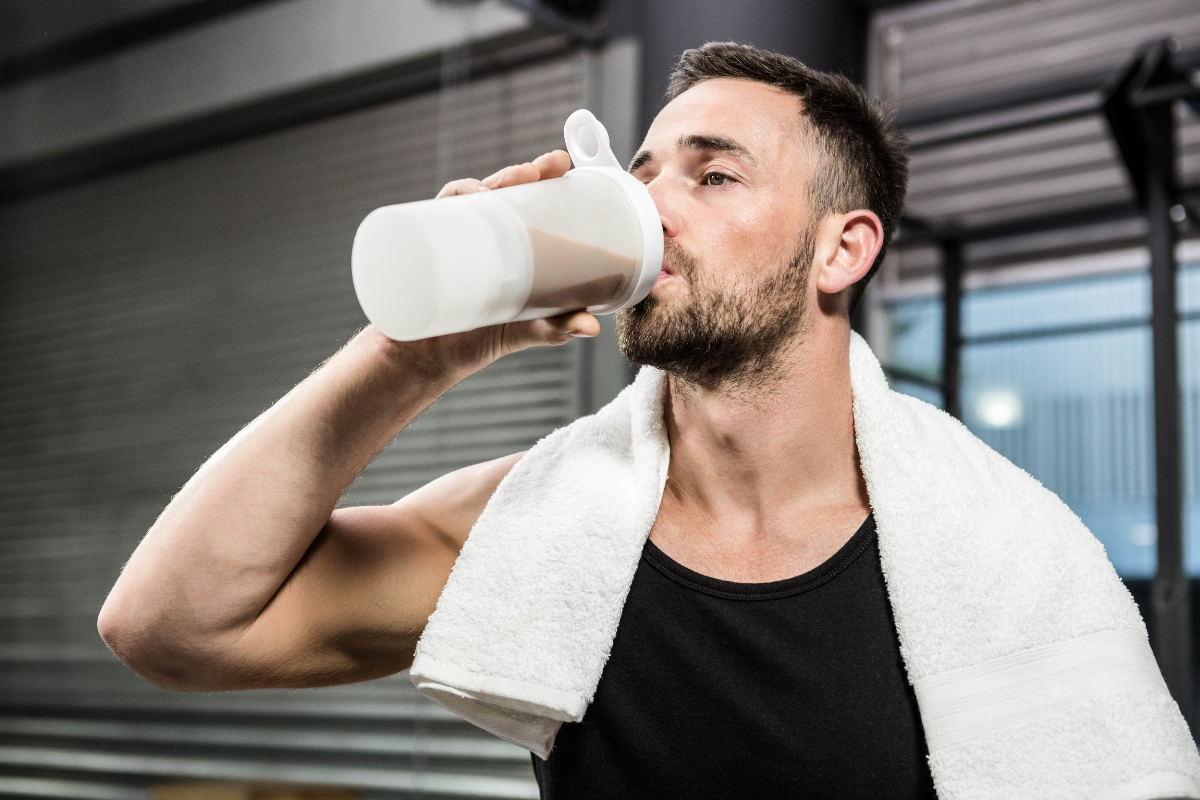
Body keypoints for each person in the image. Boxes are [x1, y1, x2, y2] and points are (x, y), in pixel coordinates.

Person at [97, 44, 1179, 799]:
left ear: (842, 250)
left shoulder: (1000, 552)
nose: (652, 208)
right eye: (641, 174)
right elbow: (173, 629)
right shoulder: (539, 522)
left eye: (715, 175)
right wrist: (416, 350)